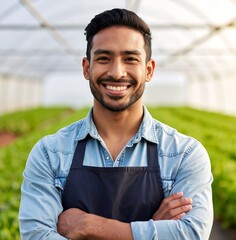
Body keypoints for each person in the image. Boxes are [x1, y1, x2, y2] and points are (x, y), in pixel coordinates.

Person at [19, 8, 213, 240]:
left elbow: (191, 234)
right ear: (86, 68)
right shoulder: (50, 153)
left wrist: (89, 226)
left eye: (130, 59)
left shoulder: (184, 154)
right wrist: (153, 228)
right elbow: (36, 236)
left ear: (149, 70)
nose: (117, 72)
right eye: (103, 58)